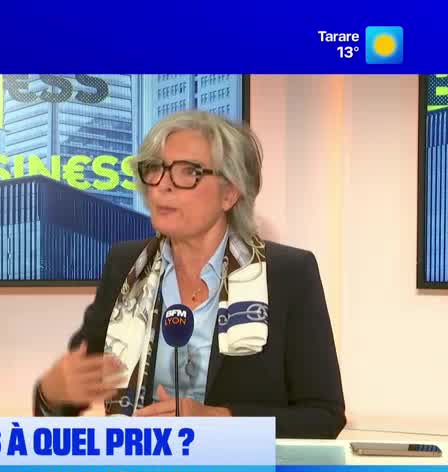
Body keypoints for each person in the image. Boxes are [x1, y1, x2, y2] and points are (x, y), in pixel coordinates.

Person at [33, 110, 345, 439]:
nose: (162, 186)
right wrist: (51, 392)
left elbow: (323, 416)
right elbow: (70, 395)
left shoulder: (287, 274)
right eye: (155, 170)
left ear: (230, 192)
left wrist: (218, 420)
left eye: (188, 172)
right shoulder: (125, 266)